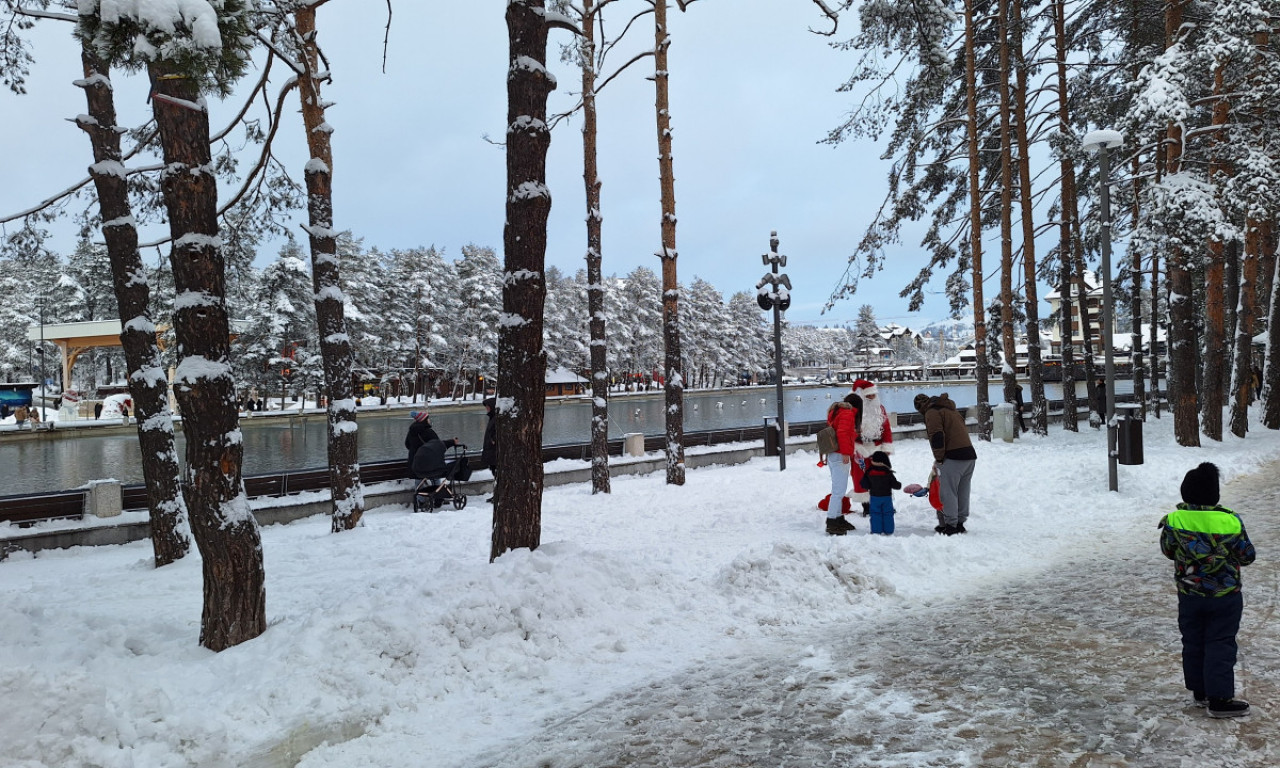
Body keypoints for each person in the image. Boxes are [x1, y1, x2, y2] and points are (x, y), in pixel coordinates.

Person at [1158, 462, 1256, 718]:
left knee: (1193, 641)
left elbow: (1168, 551)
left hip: (1189, 593)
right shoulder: (1230, 521)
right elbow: (1247, 556)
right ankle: (1220, 699)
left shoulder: (1173, 520)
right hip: (1225, 596)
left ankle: (1200, 691)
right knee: (1220, 642)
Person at [913, 393, 977, 536]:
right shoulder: (949, 409)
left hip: (952, 456)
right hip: (969, 455)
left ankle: (951, 525)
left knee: (948, 492)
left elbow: (937, 436)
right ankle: (960, 523)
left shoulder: (931, 412)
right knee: (962, 491)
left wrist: (939, 458)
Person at [849, 379, 894, 516]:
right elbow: (849, 430)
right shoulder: (855, 410)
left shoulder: (880, 409)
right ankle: (867, 506)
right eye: (868, 396)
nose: (871, 398)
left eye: (873, 395)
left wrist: (887, 447)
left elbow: (886, 428)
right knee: (861, 477)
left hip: (877, 447)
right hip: (860, 449)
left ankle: (884, 505)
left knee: (881, 477)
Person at [819, 393, 860, 536]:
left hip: (832, 454)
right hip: (839, 455)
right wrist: (846, 453)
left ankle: (838, 518)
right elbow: (843, 434)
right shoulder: (848, 414)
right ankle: (832, 521)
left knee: (838, 489)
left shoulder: (835, 412)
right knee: (839, 491)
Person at [863, 450, 901, 535]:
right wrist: (899, 484)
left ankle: (876, 531)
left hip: (874, 497)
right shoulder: (888, 473)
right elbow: (896, 485)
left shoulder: (869, 471)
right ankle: (889, 530)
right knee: (888, 513)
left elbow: (864, 484)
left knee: (875, 513)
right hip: (886, 497)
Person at [481, 397, 498, 504]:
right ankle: (497, 495)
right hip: (491, 452)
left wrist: (494, 440)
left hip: (494, 453)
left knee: (498, 475)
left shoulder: (495, 419)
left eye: (487, 407)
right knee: (496, 475)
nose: (486, 409)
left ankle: (498, 496)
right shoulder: (492, 418)